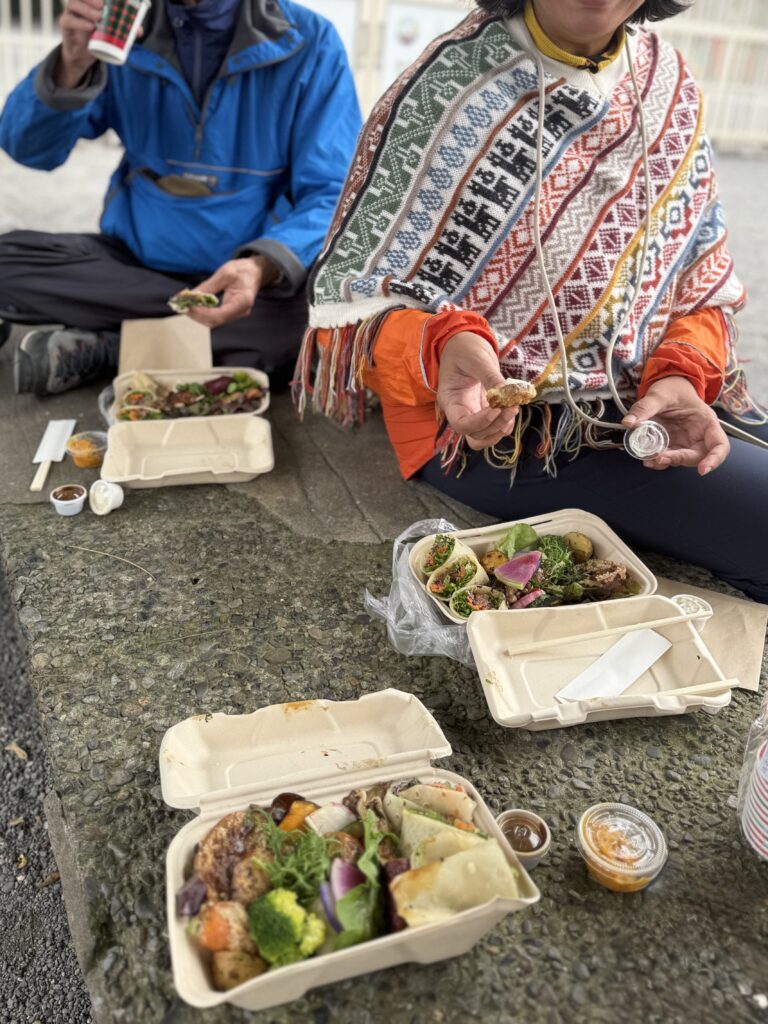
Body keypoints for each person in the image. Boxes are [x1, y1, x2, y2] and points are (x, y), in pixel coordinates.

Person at [296, 0, 768, 602]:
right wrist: (441, 348)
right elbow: (348, 306)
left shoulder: (667, 82)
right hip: (495, 431)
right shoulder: (447, 87)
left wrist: (680, 372)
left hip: (640, 397)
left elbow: (697, 276)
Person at [0, 0, 361, 394]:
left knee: (314, 322)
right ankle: (179, 342)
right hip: (135, 264)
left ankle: (109, 346)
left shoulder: (309, 41)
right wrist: (70, 65)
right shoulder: (123, 27)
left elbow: (334, 193)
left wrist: (261, 265)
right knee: (8, 260)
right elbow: (27, 148)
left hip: (250, 282)